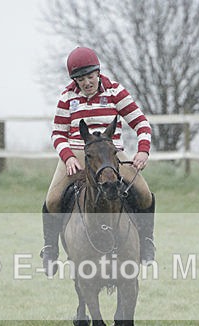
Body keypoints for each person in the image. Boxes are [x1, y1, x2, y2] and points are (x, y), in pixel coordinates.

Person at [41, 46, 156, 276]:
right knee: (52, 199)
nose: (86, 83)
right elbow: (57, 133)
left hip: (111, 154)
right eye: (80, 79)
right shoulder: (67, 96)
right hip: (77, 153)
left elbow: (142, 124)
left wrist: (143, 151)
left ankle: (146, 243)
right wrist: (68, 157)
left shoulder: (115, 92)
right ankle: (50, 250)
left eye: (90, 77)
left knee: (144, 194)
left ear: (98, 73)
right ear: (75, 80)